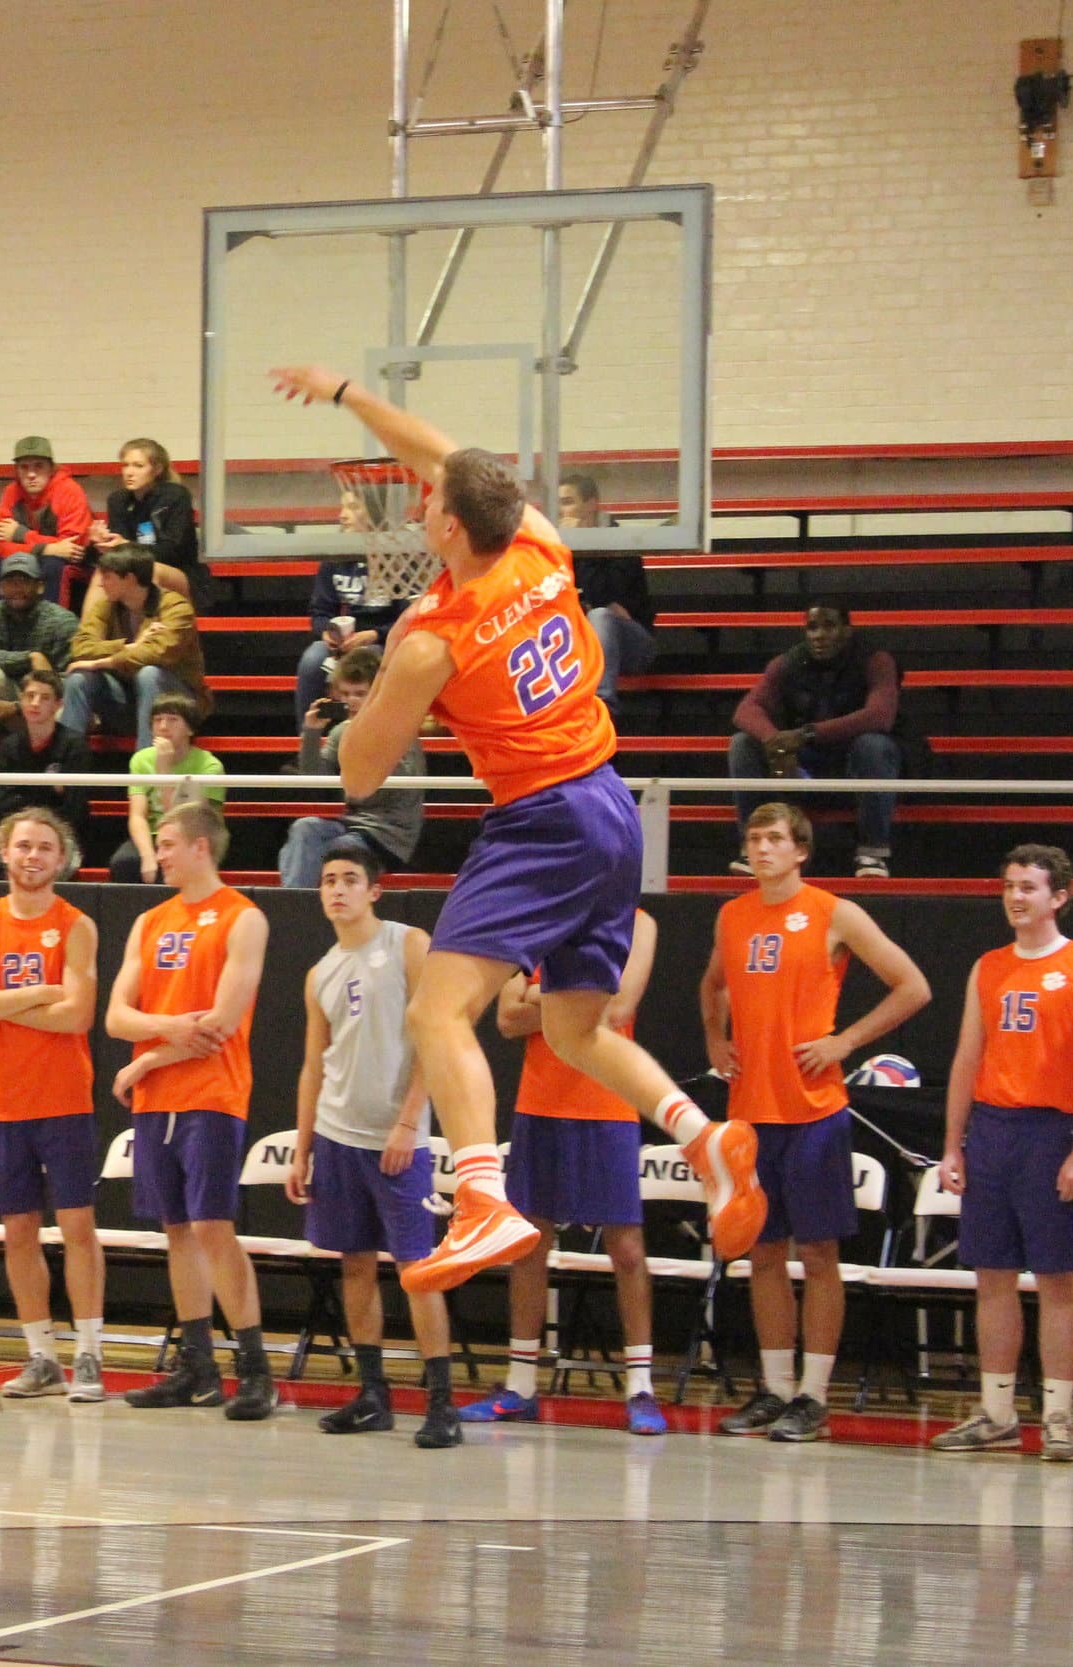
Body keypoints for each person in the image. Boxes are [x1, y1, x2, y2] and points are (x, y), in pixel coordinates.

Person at [269, 362, 762, 1295]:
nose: (419, 501)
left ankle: (483, 1199)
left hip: (542, 817)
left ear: (448, 525)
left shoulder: (432, 637)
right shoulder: (539, 542)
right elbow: (437, 452)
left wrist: (386, 683)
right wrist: (349, 397)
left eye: (428, 501)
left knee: (434, 1009)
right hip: (611, 804)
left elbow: (358, 774)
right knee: (576, 1027)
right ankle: (708, 1143)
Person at [703, 802, 931, 1444]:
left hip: (813, 1111)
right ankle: (775, 1390)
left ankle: (814, 1393)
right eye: (754, 838)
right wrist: (714, 1039)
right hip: (752, 1111)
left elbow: (912, 986)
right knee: (763, 1252)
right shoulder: (732, 914)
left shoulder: (835, 912)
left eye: (774, 838)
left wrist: (845, 1042)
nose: (762, 848)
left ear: (800, 850)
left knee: (821, 1251)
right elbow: (712, 984)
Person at [931, 844, 1073, 1462]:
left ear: (1059, 897)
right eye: (1009, 885)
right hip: (992, 1130)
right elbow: (967, 1058)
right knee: (991, 1275)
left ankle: (1061, 1416)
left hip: (1053, 1132)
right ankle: (996, 1412)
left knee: (1056, 1278)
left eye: (1029, 888)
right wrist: (952, 1146)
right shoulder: (987, 966)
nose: (1016, 896)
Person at [463, 911, 669, 1435]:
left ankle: (641, 1387)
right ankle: (521, 1385)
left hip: (609, 1101)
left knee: (626, 1250)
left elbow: (618, 1008)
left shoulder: (637, 925)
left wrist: (540, 998)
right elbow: (507, 1020)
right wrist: (573, 1006)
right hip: (540, 1103)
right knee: (529, 1246)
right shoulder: (539, 923)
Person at [105, 802, 275, 1420]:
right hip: (157, 1104)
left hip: (212, 1095)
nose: (161, 852)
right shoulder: (149, 920)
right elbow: (115, 1015)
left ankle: (255, 1371)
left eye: (168, 841)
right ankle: (197, 1369)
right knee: (175, 1230)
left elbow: (222, 1024)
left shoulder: (243, 918)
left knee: (212, 1227)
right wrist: (165, 1028)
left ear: (201, 847)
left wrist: (146, 1057)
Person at [287, 838, 458, 1448]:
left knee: (418, 1269)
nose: (336, 888)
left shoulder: (409, 944)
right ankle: (373, 1395)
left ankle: (441, 1402)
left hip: (396, 1139)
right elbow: (314, 1064)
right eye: (328, 879)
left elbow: (440, 1037)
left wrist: (410, 1122)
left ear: (374, 890)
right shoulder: (320, 973)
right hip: (337, 1137)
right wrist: (304, 1146)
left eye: (349, 879)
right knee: (354, 1266)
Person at [0, 807, 107, 1401]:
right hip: (3, 1100)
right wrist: (40, 991)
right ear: (4, 853)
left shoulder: (76, 925)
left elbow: (78, 1015)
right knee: (17, 1231)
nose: (33, 856)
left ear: (60, 859)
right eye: (23, 846)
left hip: (63, 1098)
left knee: (77, 1228)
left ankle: (88, 1353)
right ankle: (41, 1355)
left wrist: (2, 999)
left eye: (44, 847)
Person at [727, 604, 901, 880]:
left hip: (853, 772)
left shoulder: (874, 660)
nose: (819, 635)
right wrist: (775, 741)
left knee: (874, 745)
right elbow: (745, 710)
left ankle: (873, 853)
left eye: (829, 626)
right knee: (742, 744)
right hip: (800, 770)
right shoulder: (789, 662)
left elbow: (880, 716)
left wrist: (807, 733)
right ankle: (752, 848)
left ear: (847, 630)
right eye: (812, 627)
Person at [280, 645, 425, 887]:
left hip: (389, 834)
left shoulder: (400, 728)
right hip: (351, 826)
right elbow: (313, 781)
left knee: (340, 852)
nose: (351, 702)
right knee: (304, 829)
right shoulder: (341, 731)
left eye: (359, 693)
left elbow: (389, 790)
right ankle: (296, 912)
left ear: (378, 692)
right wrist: (312, 734)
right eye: (345, 694)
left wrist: (361, 757)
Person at [0, 669, 92, 882]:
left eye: (45, 697)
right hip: (15, 837)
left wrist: (24, 797)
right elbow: (1, 805)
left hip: (60, 839)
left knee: (40, 875)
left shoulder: (74, 746)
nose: (35, 703)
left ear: (58, 705)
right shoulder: (9, 747)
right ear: (21, 700)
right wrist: (50, 793)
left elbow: (73, 810)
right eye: (30, 696)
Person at [60, 544, 208, 745]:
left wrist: (100, 663)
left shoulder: (176, 607)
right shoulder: (106, 606)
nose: (102, 584)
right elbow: (81, 647)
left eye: (107, 577)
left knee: (149, 674)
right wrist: (130, 645)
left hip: (177, 703)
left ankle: (145, 770)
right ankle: (66, 764)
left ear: (129, 579)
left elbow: (158, 653)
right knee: (79, 679)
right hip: (127, 700)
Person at [560, 473, 659, 712]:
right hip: (582, 643)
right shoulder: (560, 545)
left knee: (601, 616)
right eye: (559, 505)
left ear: (591, 504)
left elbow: (603, 599)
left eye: (568, 502)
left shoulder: (619, 542)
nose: (563, 512)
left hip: (633, 643)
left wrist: (581, 545)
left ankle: (602, 706)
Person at [291, 487, 386, 735]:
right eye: (342, 508)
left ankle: (374, 735)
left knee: (367, 660)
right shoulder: (334, 557)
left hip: (383, 639)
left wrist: (374, 634)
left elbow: (408, 619)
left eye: (353, 508)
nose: (342, 515)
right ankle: (310, 737)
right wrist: (326, 633)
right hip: (344, 640)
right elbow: (320, 612)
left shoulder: (396, 559)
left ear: (375, 513)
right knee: (312, 661)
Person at [0, 553, 80, 751]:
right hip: (9, 691)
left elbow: (69, 682)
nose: (17, 588)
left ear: (40, 586)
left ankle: (58, 766)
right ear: (0, 588)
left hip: (49, 702)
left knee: (68, 703)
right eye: (10, 582)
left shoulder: (63, 620)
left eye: (24, 581)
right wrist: (31, 658)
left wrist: (17, 706)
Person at [112, 694, 224, 884]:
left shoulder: (209, 766)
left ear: (190, 729)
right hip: (154, 835)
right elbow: (137, 816)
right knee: (125, 862)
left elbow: (184, 822)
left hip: (195, 837)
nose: (163, 727)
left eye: (173, 720)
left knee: (177, 860)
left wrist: (164, 772)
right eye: (158, 720)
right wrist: (148, 856)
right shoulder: (141, 759)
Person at [91, 438, 203, 606]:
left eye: (138, 466)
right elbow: (118, 552)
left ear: (157, 469)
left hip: (180, 572)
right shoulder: (118, 500)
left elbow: (173, 551)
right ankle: (89, 632)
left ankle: (151, 628)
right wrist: (102, 543)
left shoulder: (175, 496)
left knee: (150, 570)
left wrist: (127, 546)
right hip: (131, 570)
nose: (129, 472)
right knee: (103, 573)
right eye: (125, 465)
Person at [0, 436, 95, 608]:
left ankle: (50, 630)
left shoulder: (69, 490)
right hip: (43, 555)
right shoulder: (11, 492)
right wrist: (49, 548)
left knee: (53, 566)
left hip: (76, 563)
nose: (31, 474)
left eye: (38, 466)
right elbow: (2, 546)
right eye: (24, 467)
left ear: (51, 468)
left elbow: (73, 548)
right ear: (16, 470)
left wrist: (21, 535)